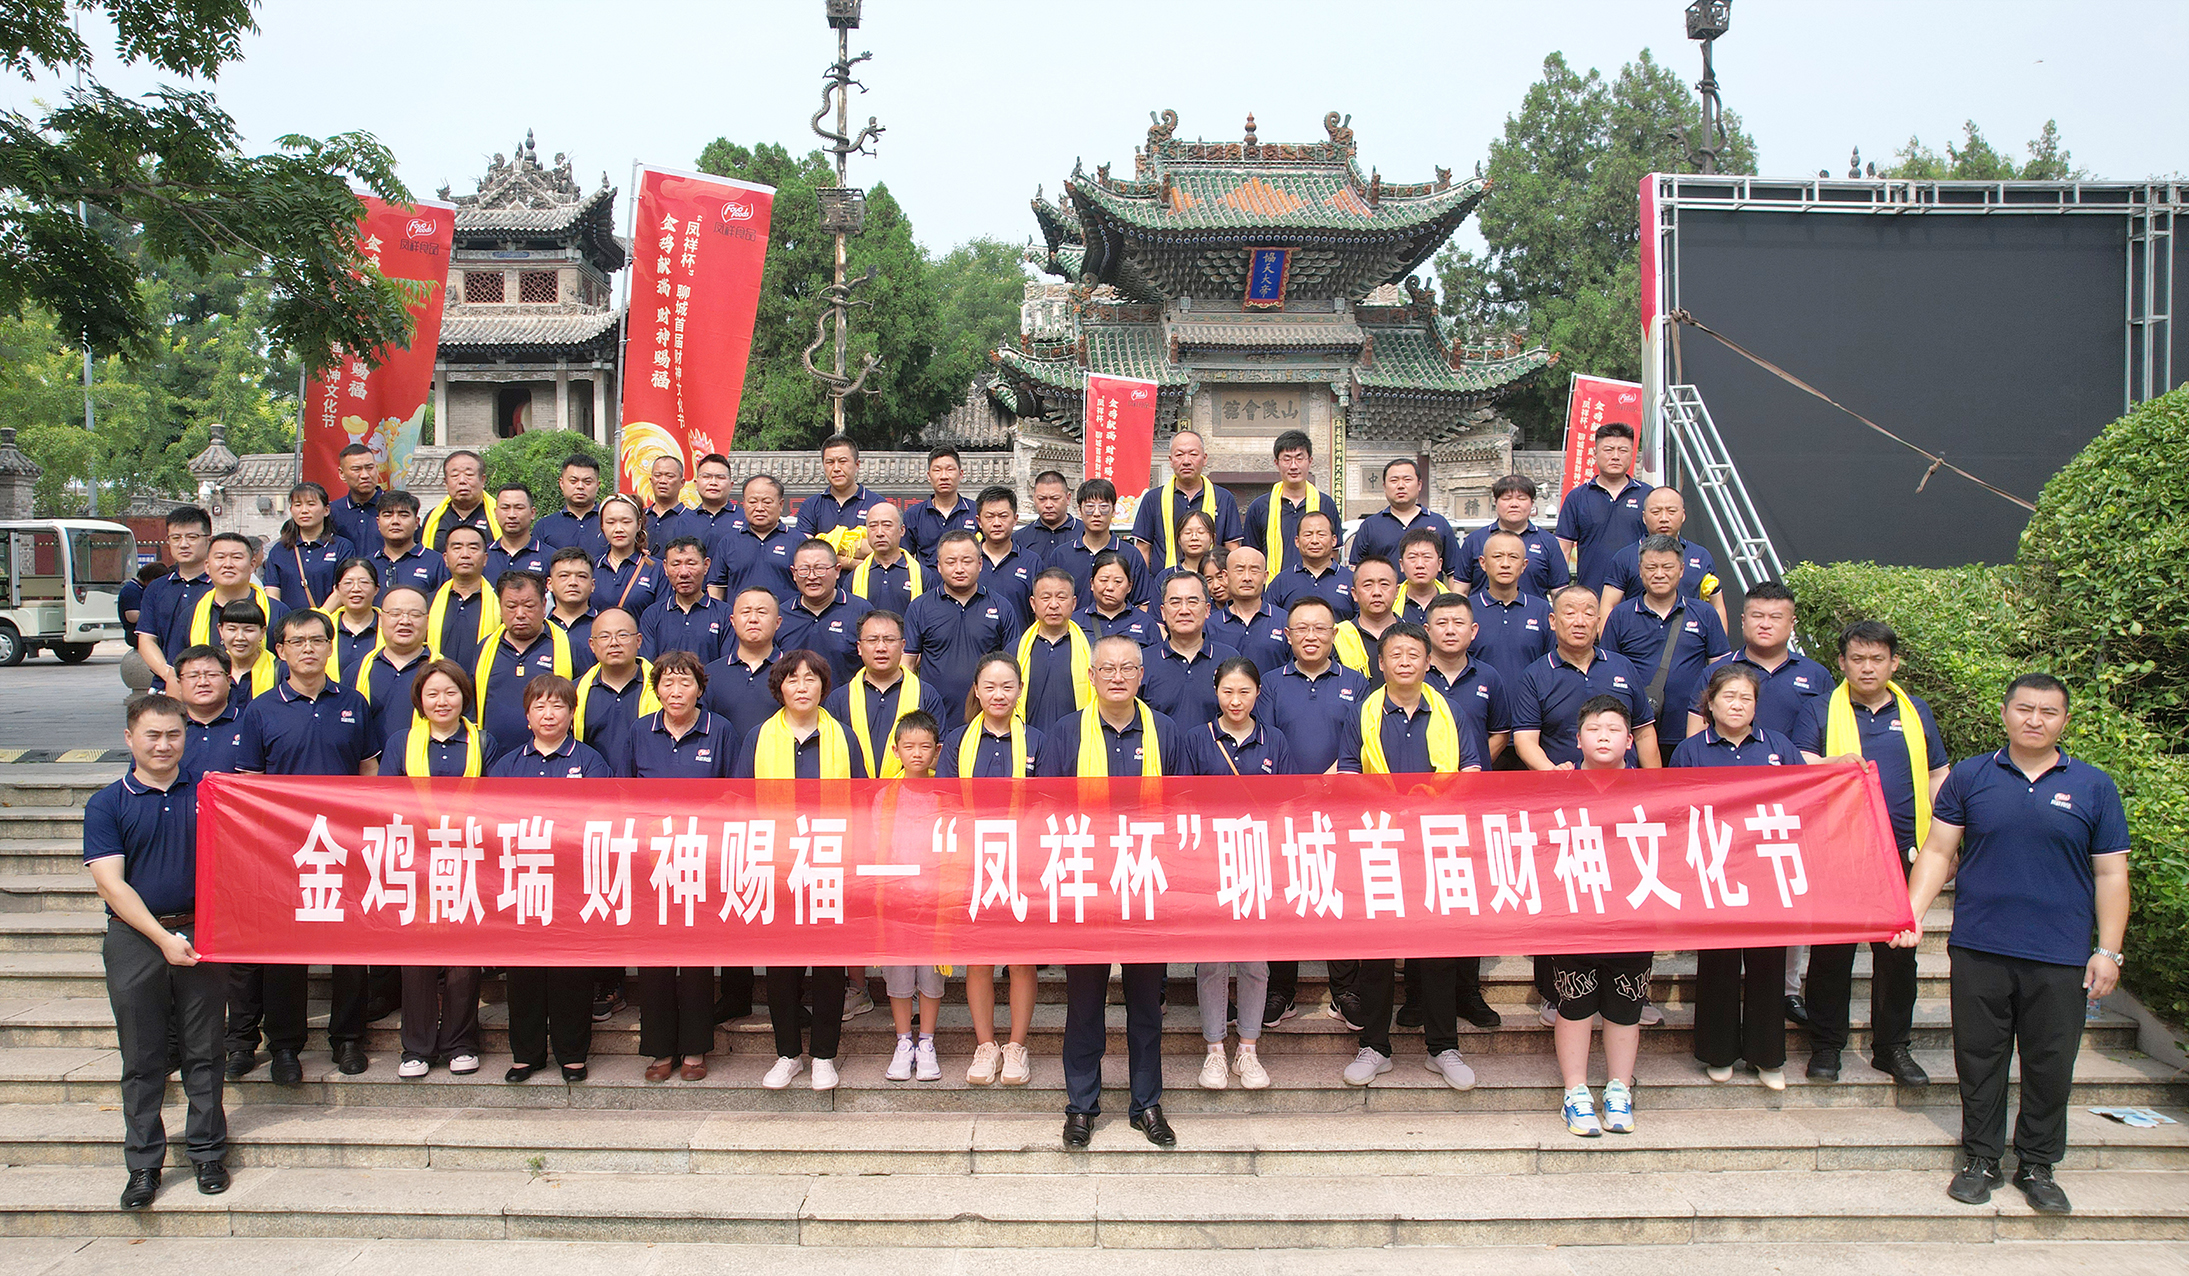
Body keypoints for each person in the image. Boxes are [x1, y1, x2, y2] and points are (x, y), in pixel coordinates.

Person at [1894, 672, 2129, 1217]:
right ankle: (1980, 1158)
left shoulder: (2093, 786)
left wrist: (2108, 950)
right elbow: (1937, 852)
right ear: (2005, 713)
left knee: (2051, 1062)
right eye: (2025, 709)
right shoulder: (1971, 776)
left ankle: (2038, 1164)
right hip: (1980, 945)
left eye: (2048, 712)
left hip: (2060, 953)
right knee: (1979, 1058)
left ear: (2064, 720)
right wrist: (1912, 913)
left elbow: (2111, 874)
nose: (2035, 720)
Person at [1037, 634, 1211, 1151]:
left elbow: (1181, 806)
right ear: (1091, 676)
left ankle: (1146, 1104)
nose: (1117, 676)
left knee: (1146, 1005)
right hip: (1086, 884)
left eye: (1127, 668)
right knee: (1084, 1004)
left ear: (1141, 676)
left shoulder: (1165, 731)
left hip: (1146, 882)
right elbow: (1047, 808)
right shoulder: (1066, 732)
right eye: (1107, 668)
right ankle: (1081, 1106)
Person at [86, 694, 228, 1209]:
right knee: (142, 1057)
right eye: (153, 735)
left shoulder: (212, 793)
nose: (164, 745)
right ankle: (144, 1165)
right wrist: (163, 939)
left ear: (186, 737)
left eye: (173, 734)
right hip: (135, 939)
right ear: (130, 739)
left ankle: (208, 1153)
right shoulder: (108, 803)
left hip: (203, 935)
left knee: (204, 1051)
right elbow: (112, 884)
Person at [1794, 620, 1949, 1086]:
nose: (1867, 668)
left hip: (1904, 850)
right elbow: (1799, 764)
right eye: (1857, 659)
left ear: (1894, 663)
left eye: (1877, 659)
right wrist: (1832, 763)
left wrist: (1945, 843)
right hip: (1838, 849)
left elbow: (1938, 774)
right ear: (1841, 663)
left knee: (1899, 954)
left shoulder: (1916, 711)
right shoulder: (1820, 709)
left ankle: (1892, 1047)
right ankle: (1826, 1045)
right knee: (1832, 955)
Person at [232, 610, 380, 1082]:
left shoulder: (353, 702)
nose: (309, 649)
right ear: (280, 650)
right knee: (286, 951)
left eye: (317, 640)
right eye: (298, 642)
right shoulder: (262, 709)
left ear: (331, 647)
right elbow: (250, 784)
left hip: (344, 845)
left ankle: (348, 1038)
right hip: (285, 850)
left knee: (350, 948)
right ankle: (285, 1046)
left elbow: (368, 772)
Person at [1335, 623, 1482, 1094]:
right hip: (1379, 842)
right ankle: (1374, 1046)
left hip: (1436, 843)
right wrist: (1391, 802)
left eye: (1413, 654)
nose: (1404, 661)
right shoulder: (1362, 713)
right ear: (1380, 663)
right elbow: (1348, 773)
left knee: (1438, 951)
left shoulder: (1451, 711)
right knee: (1377, 952)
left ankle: (1443, 1047)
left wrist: (1432, 803)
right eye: (1395, 654)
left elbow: (1472, 771)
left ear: (1427, 661)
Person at [1684, 580, 1833, 1024]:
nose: (1766, 624)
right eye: (1757, 616)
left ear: (1791, 623)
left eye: (1776, 617)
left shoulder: (1816, 675)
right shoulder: (1718, 670)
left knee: (1782, 923)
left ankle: (1788, 992)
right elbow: (1695, 738)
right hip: (1720, 832)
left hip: (1777, 826)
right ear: (1743, 619)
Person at [735, 650, 865, 1092]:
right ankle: (788, 1053)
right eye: (793, 679)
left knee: (829, 966)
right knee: (782, 967)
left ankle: (825, 1055)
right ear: (780, 688)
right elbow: (742, 803)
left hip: (830, 861)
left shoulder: (843, 737)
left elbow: (862, 801)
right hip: (776, 864)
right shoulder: (758, 737)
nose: (802, 686)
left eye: (811, 678)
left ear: (823, 687)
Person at [1670, 663, 1804, 1091]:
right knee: (1719, 964)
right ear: (1710, 703)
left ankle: (1768, 1056)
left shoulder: (1779, 747)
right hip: (1715, 872)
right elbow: (1675, 810)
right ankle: (1719, 1051)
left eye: (1746, 697)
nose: (1737, 704)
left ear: (1756, 705)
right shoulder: (1691, 751)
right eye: (1728, 696)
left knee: (1768, 965)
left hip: (1767, 870)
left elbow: (1804, 798)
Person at [488, 674, 613, 1082]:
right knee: (523, 971)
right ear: (527, 716)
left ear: (572, 713)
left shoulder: (590, 762)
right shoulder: (508, 765)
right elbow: (492, 820)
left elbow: (600, 818)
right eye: (539, 706)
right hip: (523, 881)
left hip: (572, 883)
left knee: (570, 970)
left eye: (558, 705)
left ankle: (572, 1054)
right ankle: (526, 1054)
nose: (548, 714)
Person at [1256, 595, 1373, 1028]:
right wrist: (1295, 790)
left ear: (1334, 634)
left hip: (1340, 807)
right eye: (1301, 628)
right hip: (1283, 809)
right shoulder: (1270, 682)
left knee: (1338, 896)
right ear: (1287, 635)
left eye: (1320, 628)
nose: (1311, 636)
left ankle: (1345, 990)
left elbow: (1363, 740)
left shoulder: (1356, 683)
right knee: (1283, 898)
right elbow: (1264, 739)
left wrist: (1328, 780)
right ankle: (1281, 990)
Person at [623, 651, 732, 1081]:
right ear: (656, 690)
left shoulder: (719, 730)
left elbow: (733, 795)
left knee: (696, 958)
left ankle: (695, 1047)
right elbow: (625, 794)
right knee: (655, 958)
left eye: (685, 682)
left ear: (700, 689)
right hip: (651, 861)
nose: (675, 691)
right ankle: (660, 1048)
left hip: (700, 858)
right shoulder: (640, 730)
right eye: (667, 682)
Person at [382, 659, 493, 1080]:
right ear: (420, 700)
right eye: (432, 694)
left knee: (464, 956)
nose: (442, 701)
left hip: (468, 860)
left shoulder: (483, 741)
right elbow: (385, 800)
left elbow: (499, 802)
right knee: (418, 957)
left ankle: (461, 1042)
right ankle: (417, 1046)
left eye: (450, 692)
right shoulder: (401, 743)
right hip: (417, 862)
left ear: (465, 696)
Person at [1548, 695, 1653, 1138]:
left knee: (1626, 1005)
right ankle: (1575, 1092)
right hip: (1574, 916)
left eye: (1613, 730)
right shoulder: (1558, 787)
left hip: (1633, 914)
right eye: (1593, 729)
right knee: (1574, 1004)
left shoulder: (1652, 789)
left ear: (1630, 741)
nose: (1603, 737)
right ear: (1578, 739)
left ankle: (1618, 1089)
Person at [936, 656, 1041, 1086]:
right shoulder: (958, 741)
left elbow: (1047, 804)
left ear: (1020, 691)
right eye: (990, 687)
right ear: (977, 691)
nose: (999, 695)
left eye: (1007, 686)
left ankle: (1016, 1046)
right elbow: (945, 803)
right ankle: (985, 1045)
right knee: (978, 960)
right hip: (970, 863)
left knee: (1021, 961)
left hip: (1022, 865)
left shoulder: (1036, 741)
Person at [1406, 594, 1509, 1031]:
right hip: (1417, 809)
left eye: (1458, 622)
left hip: (1469, 806)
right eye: (1441, 622)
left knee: (1466, 900)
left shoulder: (1489, 677)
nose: (1450, 630)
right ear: (1427, 631)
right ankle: (1416, 994)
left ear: (1473, 631)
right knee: (1421, 899)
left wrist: (1462, 775)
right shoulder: (1410, 673)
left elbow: (1500, 733)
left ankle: (1468, 992)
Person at [1197, 657, 1287, 1091]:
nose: (1236, 701)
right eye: (1228, 692)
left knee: (1254, 962)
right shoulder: (1197, 739)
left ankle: (1248, 1048)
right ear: (1216, 692)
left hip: (1257, 861)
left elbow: (1286, 803)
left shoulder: (1275, 741)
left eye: (1245, 692)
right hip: (1210, 864)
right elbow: (1183, 802)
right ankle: (1215, 1049)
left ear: (1257, 694)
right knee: (1212, 961)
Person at [1601, 533, 1732, 757]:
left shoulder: (1705, 614)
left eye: (1667, 567)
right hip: (1634, 733)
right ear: (1640, 570)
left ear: (1681, 570)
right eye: (1651, 567)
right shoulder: (1621, 615)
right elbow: (1607, 671)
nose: (1659, 574)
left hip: (1691, 731)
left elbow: (1720, 671)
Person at [875, 709, 948, 1084]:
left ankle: (927, 1041)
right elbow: (875, 847)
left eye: (924, 746)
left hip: (935, 901)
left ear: (937, 751)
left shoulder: (944, 795)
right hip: (896, 901)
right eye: (909, 746)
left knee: (932, 975)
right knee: (899, 973)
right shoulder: (884, 796)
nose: (917, 754)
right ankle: (903, 1041)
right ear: (895, 750)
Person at [1512, 585, 1659, 771]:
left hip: (1625, 782)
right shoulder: (1535, 675)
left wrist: (1654, 783)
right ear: (1553, 621)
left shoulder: (1622, 666)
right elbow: (1525, 740)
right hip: (1562, 782)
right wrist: (1554, 774)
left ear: (1597, 622)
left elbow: (1644, 733)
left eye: (1588, 614)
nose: (1580, 622)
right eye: (1570, 614)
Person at [903, 530, 1021, 732]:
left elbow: (1012, 665)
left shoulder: (1001, 607)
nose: (959, 569)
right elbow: (907, 664)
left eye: (967, 561)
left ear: (980, 564)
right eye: (951, 562)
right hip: (933, 717)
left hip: (989, 718)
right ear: (939, 566)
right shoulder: (920, 607)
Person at [824, 609, 947, 778]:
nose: (881, 648)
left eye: (889, 640)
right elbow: (830, 754)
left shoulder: (926, 694)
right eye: (872, 640)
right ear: (859, 647)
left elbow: (937, 753)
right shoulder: (839, 698)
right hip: (854, 791)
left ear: (903, 646)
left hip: (910, 791)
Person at [471, 570, 574, 760]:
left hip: (554, 759)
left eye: (528, 606)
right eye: (511, 606)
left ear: (544, 604)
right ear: (500, 607)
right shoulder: (485, 648)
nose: (520, 614)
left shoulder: (568, 646)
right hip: (493, 758)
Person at [1597, 487, 1727, 631]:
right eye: (1656, 512)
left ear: (1683, 515)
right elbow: (1608, 605)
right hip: (1638, 639)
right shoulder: (1625, 557)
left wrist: (1718, 643)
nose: (1664, 518)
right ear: (1644, 517)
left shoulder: (1701, 556)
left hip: (1690, 638)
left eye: (1671, 511)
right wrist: (1608, 644)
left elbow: (1717, 606)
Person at [1555, 421, 1652, 592]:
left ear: (1632, 454)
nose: (1615, 456)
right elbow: (1563, 549)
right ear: (1595, 453)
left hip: (1639, 595)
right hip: (1591, 594)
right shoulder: (1577, 497)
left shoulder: (1648, 495)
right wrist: (1561, 592)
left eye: (1623, 450)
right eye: (1608, 450)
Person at [1132, 428, 1243, 569]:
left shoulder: (1223, 498)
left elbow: (1233, 548)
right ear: (1171, 460)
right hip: (1164, 580)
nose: (1186, 461)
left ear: (1204, 458)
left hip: (1211, 580)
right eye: (1179, 455)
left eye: (1193, 454)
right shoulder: (1153, 499)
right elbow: (1143, 549)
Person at [1141, 571, 1238, 731]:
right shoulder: (1143, 662)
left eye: (1193, 602)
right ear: (1163, 612)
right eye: (1175, 602)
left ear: (1207, 609)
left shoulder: (1229, 659)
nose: (1184, 610)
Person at [1466, 530, 1555, 690]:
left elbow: (1551, 666)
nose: (1505, 564)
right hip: (1480, 701)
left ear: (1524, 565)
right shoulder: (1466, 610)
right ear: (1482, 563)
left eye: (1513, 557)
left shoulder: (1541, 611)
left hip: (1530, 701)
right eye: (1497, 556)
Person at [776, 537, 871, 686]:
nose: (812, 576)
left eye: (820, 568)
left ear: (837, 570)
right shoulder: (780, 616)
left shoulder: (861, 611)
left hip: (847, 700)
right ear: (794, 573)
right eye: (804, 569)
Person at [1242, 429, 1336, 578]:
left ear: (1310, 461)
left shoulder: (1325, 504)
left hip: (1317, 586)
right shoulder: (1259, 507)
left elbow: (1333, 552)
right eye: (1287, 459)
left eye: (1299, 458)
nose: (1293, 466)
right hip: (1273, 587)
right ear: (1276, 463)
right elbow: (1251, 554)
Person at [136, 507, 216, 682]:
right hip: (165, 683)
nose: (183, 544)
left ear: (208, 540)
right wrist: (169, 675)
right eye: (176, 538)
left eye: (192, 537)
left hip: (212, 683)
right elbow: (147, 639)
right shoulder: (156, 588)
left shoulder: (220, 586)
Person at [179, 533, 286, 664]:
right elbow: (178, 668)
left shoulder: (277, 612)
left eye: (236, 557)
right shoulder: (191, 615)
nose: (228, 564)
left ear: (252, 565)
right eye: (220, 557)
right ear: (207, 566)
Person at [703, 587, 787, 752]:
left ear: (778, 622)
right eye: (745, 612)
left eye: (762, 612)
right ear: (733, 621)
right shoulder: (711, 674)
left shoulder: (793, 673)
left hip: (778, 763)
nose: (753, 619)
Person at [1457, 474, 1568, 599]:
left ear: (1532, 503)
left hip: (1532, 611)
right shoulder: (1475, 540)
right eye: (1507, 498)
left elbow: (1559, 593)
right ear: (1495, 502)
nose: (1514, 504)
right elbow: (1461, 590)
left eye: (1521, 498)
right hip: (1481, 611)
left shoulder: (1548, 541)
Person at [1349, 458, 1462, 580]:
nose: (1401, 486)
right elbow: (1356, 571)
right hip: (1385, 592)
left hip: (1429, 593)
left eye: (1407, 480)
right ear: (1384, 486)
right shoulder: (1370, 526)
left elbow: (1454, 573)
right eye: (1394, 480)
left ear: (1419, 485)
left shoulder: (1438, 523)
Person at [349, 587, 434, 747]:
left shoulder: (443, 672)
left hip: (425, 761)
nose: (405, 621)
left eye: (415, 614)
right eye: (395, 614)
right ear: (381, 619)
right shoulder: (357, 671)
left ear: (428, 621)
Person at [1014, 569, 1097, 732]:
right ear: (1033, 603)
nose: (1053, 605)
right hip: (1027, 741)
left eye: (1061, 597)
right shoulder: (1016, 650)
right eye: (1045, 598)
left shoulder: (1092, 649)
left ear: (1074, 603)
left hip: (1079, 739)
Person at [1050, 477, 1151, 608]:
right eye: (1090, 507)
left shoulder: (1131, 555)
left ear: (1114, 510)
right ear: (1079, 510)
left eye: (1103, 507)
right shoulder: (1061, 555)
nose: (1096, 513)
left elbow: (1142, 604)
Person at [573, 608, 655, 766]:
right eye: (604, 636)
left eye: (623, 635)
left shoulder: (661, 689)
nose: (614, 643)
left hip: (646, 779)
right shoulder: (575, 692)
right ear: (592, 645)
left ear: (639, 640)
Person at [262, 482, 356, 610]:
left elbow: (342, 590)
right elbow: (272, 593)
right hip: (289, 620)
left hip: (327, 619)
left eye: (311, 504)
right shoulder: (279, 550)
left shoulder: (342, 547)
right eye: (298, 505)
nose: (304, 510)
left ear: (326, 510)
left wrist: (320, 617)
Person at [797, 434, 887, 562]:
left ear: (857, 465)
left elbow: (882, 549)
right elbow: (807, 552)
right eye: (830, 462)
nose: (836, 468)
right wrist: (854, 559)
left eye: (842, 461)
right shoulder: (811, 506)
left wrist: (826, 543)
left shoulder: (877, 504)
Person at [640, 536, 730, 663]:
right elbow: (647, 666)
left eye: (691, 564)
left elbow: (726, 666)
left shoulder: (724, 614)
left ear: (706, 565)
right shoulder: (652, 615)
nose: (683, 573)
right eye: (676, 564)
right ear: (665, 567)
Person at [171, 646, 249, 782]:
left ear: (228, 680)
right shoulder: (168, 727)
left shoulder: (250, 724)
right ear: (179, 684)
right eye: (193, 676)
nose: (203, 683)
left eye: (212, 675)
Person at [1266, 508, 1356, 621]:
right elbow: (1270, 622)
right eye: (1308, 535)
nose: (1314, 541)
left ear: (1334, 540)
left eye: (1321, 534)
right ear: (1297, 541)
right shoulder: (1281, 582)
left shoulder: (1351, 580)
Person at [426, 525, 496, 669]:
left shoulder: (500, 604)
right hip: (437, 680)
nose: (465, 554)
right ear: (445, 558)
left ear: (485, 559)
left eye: (473, 548)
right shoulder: (427, 604)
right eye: (457, 548)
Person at [1214, 546, 1290, 672]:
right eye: (1239, 570)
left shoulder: (1285, 621)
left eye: (1254, 571)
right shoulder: (1210, 626)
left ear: (1265, 577)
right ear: (1225, 576)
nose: (1247, 578)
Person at [902, 446, 980, 567]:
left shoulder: (976, 511)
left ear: (961, 474)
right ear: (929, 476)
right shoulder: (914, 515)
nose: (944, 476)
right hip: (926, 579)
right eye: (937, 470)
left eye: (950, 470)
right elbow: (904, 557)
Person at [971, 485, 1037, 623]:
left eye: (1003, 516)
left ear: (1015, 519)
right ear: (979, 521)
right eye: (989, 517)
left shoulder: (1031, 562)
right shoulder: (968, 560)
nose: (996, 523)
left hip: (1018, 636)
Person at [1333, 556, 1403, 683]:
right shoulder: (1337, 637)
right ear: (1354, 594)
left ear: (1397, 591)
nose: (1376, 592)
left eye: (1384, 584)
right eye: (1368, 585)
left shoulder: (1412, 636)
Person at [848, 501, 924, 616]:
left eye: (887, 525)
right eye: (873, 526)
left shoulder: (922, 575)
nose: (879, 533)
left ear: (902, 530)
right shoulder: (855, 577)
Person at [591, 493, 661, 618]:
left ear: (638, 524)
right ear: (602, 525)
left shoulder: (657, 569)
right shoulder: (591, 568)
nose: (618, 529)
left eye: (626, 522)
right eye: (610, 522)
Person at [368, 491, 450, 597]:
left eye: (403, 515)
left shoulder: (437, 563)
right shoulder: (368, 564)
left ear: (416, 522)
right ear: (378, 522)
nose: (395, 521)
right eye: (388, 515)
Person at [1075, 550, 1160, 647]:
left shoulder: (1146, 623)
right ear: (1092, 584)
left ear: (1129, 586)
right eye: (1104, 580)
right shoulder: (1075, 622)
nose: (1110, 587)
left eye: (1118, 581)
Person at [536, 453, 610, 559]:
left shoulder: (611, 522)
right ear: (561, 483)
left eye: (587, 482)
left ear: (597, 485)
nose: (580, 486)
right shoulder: (545, 526)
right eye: (573, 481)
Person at [421, 450, 496, 552]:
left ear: (482, 480)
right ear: (446, 483)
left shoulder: (498, 516)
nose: (462, 481)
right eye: (455, 475)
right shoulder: (433, 518)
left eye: (469, 474)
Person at [544, 547, 599, 677]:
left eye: (581, 576)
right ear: (549, 584)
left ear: (592, 585)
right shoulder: (541, 627)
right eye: (564, 576)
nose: (573, 582)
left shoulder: (604, 627)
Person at [324, 557, 383, 676]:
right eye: (348, 583)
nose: (356, 589)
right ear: (337, 590)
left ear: (376, 589)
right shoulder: (324, 628)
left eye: (364, 582)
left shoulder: (390, 626)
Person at [327, 442, 387, 556]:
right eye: (356, 469)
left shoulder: (395, 508)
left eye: (369, 468)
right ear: (342, 474)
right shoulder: (332, 512)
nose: (365, 475)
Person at [484, 482, 550, 585]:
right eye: (505, 508)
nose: (511, 515)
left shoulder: (549, 557)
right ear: (495, 513)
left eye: (519, 508)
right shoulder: (482, 556)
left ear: (532, 513)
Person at [1395, 527, 1462, 623]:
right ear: (1401, 565)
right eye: (1412, 557)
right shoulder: (1390, 603)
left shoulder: (1456, 605)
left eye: (1427, 557)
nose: (1420, 565)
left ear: (1439, 564)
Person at [217, 601, 278, 706]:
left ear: (262, 632)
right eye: (232, 629)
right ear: (221, 630)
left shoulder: (281, 671)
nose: (240, 637)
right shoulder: (212, 671)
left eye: (248, 630)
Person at [1152, 509, 1221, 602]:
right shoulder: (1165, 577)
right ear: (1179, 539)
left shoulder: (1222, 575)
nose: (1194, 538)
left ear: (1212, 537)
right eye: (1188, 533)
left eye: (1201, 532)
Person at [1014, 469, 1082, 562]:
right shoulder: (1020, 538)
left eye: (1055, 499)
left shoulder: (1084, 534)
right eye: (1042, 499)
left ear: (1068, 498)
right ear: (1034, 499)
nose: (1048, 505)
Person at [687, 452, 747, 548]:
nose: (713, 482)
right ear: (696, 483)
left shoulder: (746, 519)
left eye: (720, 477)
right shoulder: (684, 521)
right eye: (706, 477)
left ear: (731, 485)